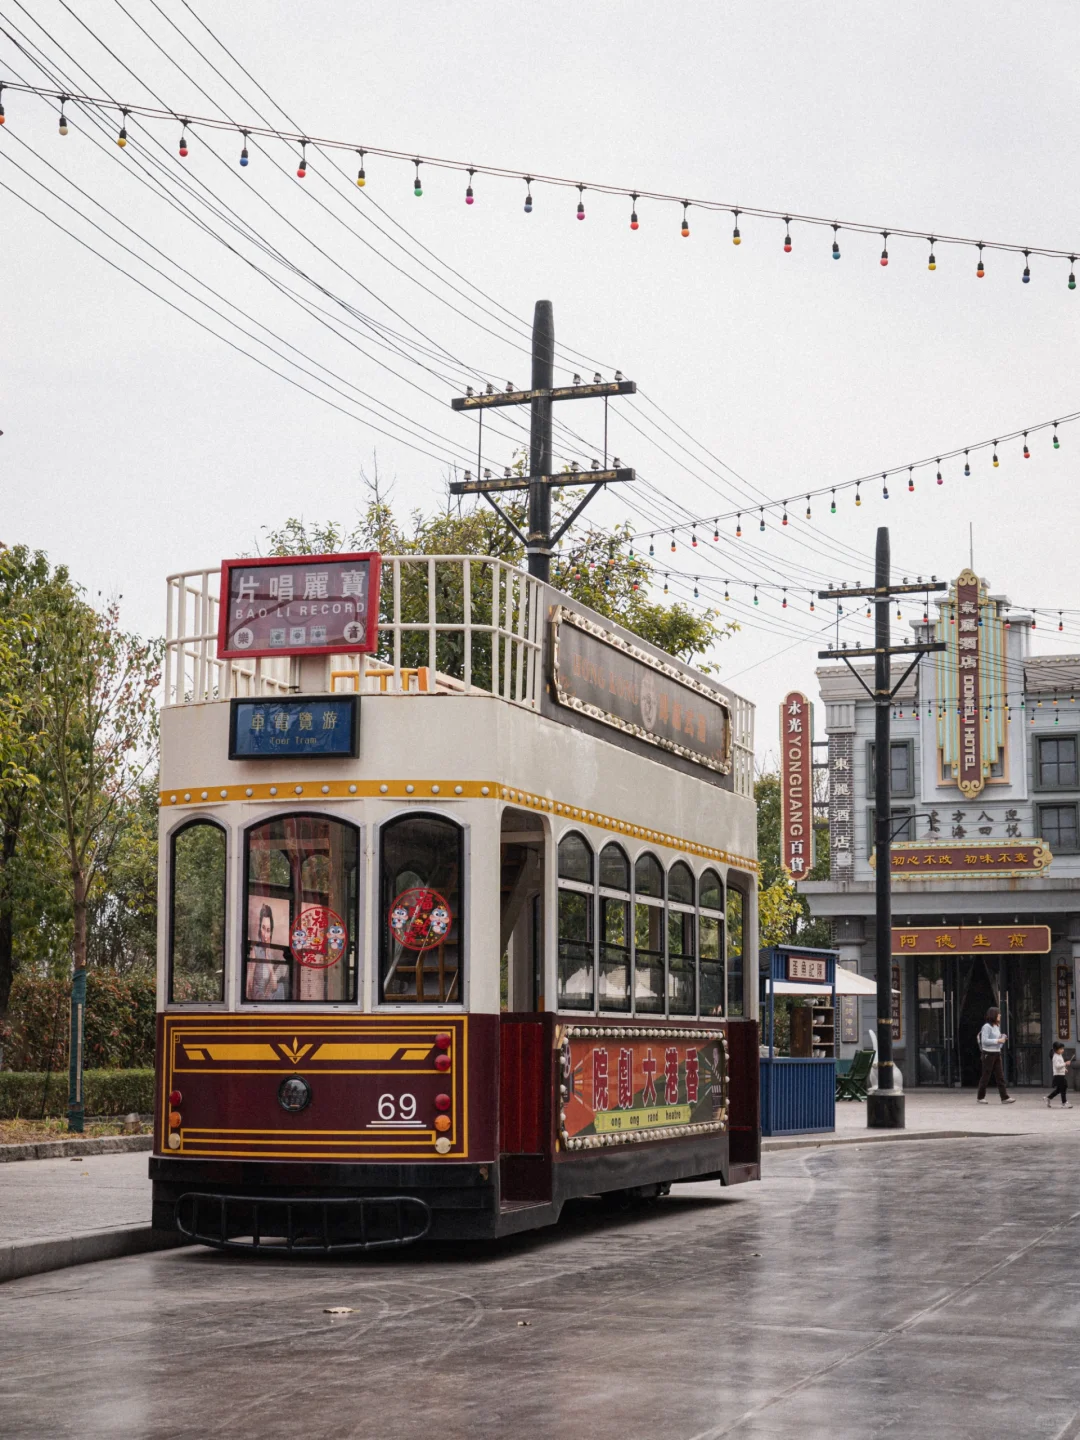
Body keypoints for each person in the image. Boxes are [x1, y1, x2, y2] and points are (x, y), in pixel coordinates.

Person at [976, 1007, 1016, 1104]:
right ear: (994, 1015)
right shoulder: (986, 1027)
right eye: (998, 1014)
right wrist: (998, 1040)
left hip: (997, 1053)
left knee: (1000, 1076)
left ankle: (1004, 1097)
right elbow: (984, 1041)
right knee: (986, 1076)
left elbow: (998, 1044)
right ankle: (980, 1097)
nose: (1000, 1015)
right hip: (988, 1054)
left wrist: (1002, 1039)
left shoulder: (996, 1026)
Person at [250, 903, 287, 1001]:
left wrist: (270, 965)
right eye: (263, 928)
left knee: (281, 987)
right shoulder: (255, 950)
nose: (265, 935)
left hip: (266, 996)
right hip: (257, 997)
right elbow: (249, 980)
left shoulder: (269, 953)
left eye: (268, 930)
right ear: (259, 927)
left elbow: (274, 987)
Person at [1047, 1042, 1073, 1110]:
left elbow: (1060, 1064)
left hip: (1061, 1074)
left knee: (1060, 1089)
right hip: (1058, 1075)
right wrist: (1065, 1063)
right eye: (1061, 1049)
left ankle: (1049, 1098)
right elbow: (1057, 1066)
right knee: (1063, 1088)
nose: (1062, 1050)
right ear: (1056, 1050)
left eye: (1063, 1049)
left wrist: (1064, 1069)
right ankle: (1064, 1102)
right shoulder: (1055, 1056)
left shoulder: (1059, 1055)